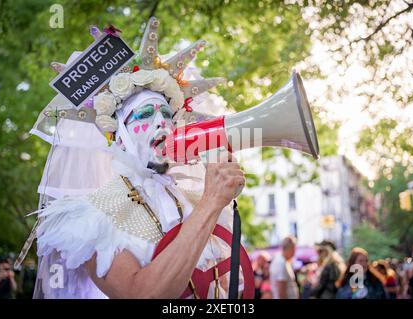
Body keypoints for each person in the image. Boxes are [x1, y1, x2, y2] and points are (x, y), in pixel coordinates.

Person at [15, 17, 252, 299]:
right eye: (144, 114)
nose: (162, 123)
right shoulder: (89, 216)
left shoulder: (188, 198)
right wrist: (212, 201)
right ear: (118, 138)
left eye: (167, 115)